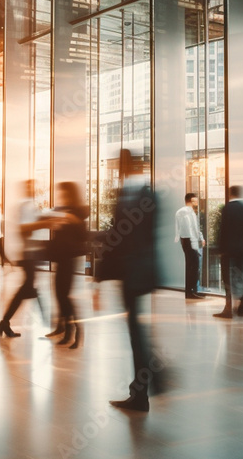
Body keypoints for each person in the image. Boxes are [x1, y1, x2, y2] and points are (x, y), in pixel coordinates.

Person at [100, 149, 162, 412]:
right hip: (142, 272)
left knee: (136, 332)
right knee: (137, 331)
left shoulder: (127, 196)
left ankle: (149, 385)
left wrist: (100, 276)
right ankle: (143, 390)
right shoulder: (148, 194)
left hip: (131, 273)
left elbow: (118, 236)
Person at [0, 180, 52, 338]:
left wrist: (42, 220)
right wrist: (45, 223)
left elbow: (28, 225)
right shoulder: (26, 205)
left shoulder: (28, 205)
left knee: (28, 288)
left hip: (29, 252)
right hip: (28, 252)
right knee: (28, 288)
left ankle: (6, 322)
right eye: (29, 186)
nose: (32, 189)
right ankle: (46, 319)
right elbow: (24, 228)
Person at [45, 182, 88, 349]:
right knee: (59, 295)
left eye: (63, 193)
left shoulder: (77, 212)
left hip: (69, 259)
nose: (60, 196)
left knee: (65, 296)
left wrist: (71, 220)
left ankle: (76, 330)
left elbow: (82, 236)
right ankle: (63, 328)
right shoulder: (61, 211)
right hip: (60, 258)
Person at [215, 186, 243, 319]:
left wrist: (220, 249)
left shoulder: (226, 209)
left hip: (228, 249)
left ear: (230, 194)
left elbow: (222, 230)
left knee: (227, 279)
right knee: (241, 276)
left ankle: (228, 308)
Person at [175, 193, 205, 299]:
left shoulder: (181, 212)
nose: (196, 203)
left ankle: (190, 291)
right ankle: (191, 291)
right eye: (195, 201)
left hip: (185, 240)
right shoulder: (188, 212)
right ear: (190, 201)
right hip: (190, 240)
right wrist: (200, 239)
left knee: (190, 266)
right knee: (194, 265)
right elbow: (193, 228)